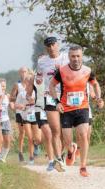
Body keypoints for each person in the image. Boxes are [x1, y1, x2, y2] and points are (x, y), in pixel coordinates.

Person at [49, 45, 104, 177]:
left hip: (82, 108)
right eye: (73, 56)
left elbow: (95, 84)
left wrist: (98, 98)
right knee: (67, 141)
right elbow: (51, 85)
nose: (75, 59)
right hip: (66, 110)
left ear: (82, 57)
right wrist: (56, 103)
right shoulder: (61, 71)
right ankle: (71, 149)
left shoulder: (87, 70)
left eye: (78, 56)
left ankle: (83, 166)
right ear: (69, 57)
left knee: (83, 135)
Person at [36, 36, 69, 165]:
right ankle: (59, 159)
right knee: (55, 129)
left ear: (57, 45)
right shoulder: (42, 62)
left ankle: (65, 151)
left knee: (65, 129)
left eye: (53, 45)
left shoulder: (66, 58)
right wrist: (39, 80)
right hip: (50, 96)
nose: (51, 48)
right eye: (48, 46)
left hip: (66, 96)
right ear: (46, 48)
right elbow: (38, 76)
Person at [25, 72, 64, 171]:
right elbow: (28, 93)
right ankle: (51, 161)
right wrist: (29, 98)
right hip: (40, 109)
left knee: (57, 133)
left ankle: (59, 158)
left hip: (53, 107)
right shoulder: (34, 78)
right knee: (48, 134)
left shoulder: (57, 74)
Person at [18, 73, 42, 165]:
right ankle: (31, 157)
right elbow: (16, 105)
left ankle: (36, 145)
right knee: (30, 138)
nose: (29, 83)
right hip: (26, 117)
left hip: (36, 116)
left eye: (31, 81)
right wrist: (20, 106)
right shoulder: (21, 93)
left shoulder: (37, 92)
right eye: (28, 81)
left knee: (38, 139)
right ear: (25, 82)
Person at [10, 67, 28, 162]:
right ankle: (20, 152)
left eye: (25, 72)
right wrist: (14, 105)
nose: (23, 73)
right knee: (22, 132)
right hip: (20, 112)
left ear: (28, 73)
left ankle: (33, 152)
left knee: (31, 132)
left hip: (30, 111)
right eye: (22, 72)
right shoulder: (17, 85)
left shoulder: (31, 84)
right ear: (19, 73)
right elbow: (12, 97)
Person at [0, 79, 12, 163]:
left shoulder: (7, 96)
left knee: (7, 140)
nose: (2, 88)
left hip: (6, 120)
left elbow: (11, 107)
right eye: (1, 86)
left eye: (4, 86)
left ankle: (3, 157)